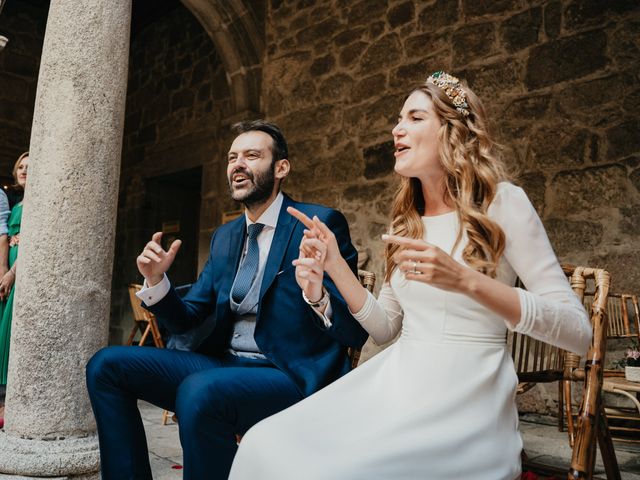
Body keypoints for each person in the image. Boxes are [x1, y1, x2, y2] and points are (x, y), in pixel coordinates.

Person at [229, 72, 592, 480]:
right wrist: (333, 267)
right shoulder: (407, 223)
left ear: (452, 131)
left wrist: (466, 280)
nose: (396, 129)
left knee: (343, 470)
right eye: (398, 119)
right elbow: (384, 328)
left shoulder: (503, 203)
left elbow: (578, 332)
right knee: (265, 442)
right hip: (396, 382)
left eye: (414, 117)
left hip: (467, 396)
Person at [85, 120, 368, 479]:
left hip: (289, 375)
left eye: (252, 155)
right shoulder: (226, 236)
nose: (237, 164)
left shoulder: (318, 223)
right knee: (106, 365)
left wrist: (319, 295)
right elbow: (189, 317)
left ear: (281, 168)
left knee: (200, 392)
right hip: (225, 365)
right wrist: (157, 281)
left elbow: (353, 329)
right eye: (232, 157)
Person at [0, 151, 28, 426]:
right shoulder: (17, 202)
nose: (24, 170)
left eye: (31, 167)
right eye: (21, 166)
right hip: (7, 271)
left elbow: (31, 244)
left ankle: (9, 402)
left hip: (21, 273)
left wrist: (10, 274)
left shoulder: (36, 203)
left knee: (9, 333)